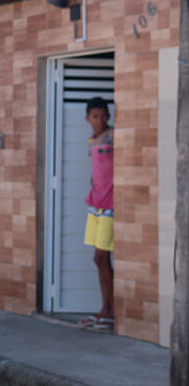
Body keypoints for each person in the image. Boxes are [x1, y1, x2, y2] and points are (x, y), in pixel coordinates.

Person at [81, 96, 115, 331]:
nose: (100, 120)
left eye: (104, 115)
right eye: (95, 116)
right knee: (98, 259)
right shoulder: (92, 140)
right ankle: (105, 310)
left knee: (103, 257)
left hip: (110, 205)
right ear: (87, 119)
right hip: (96, 204)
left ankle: (109, 312)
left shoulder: (113, 136)